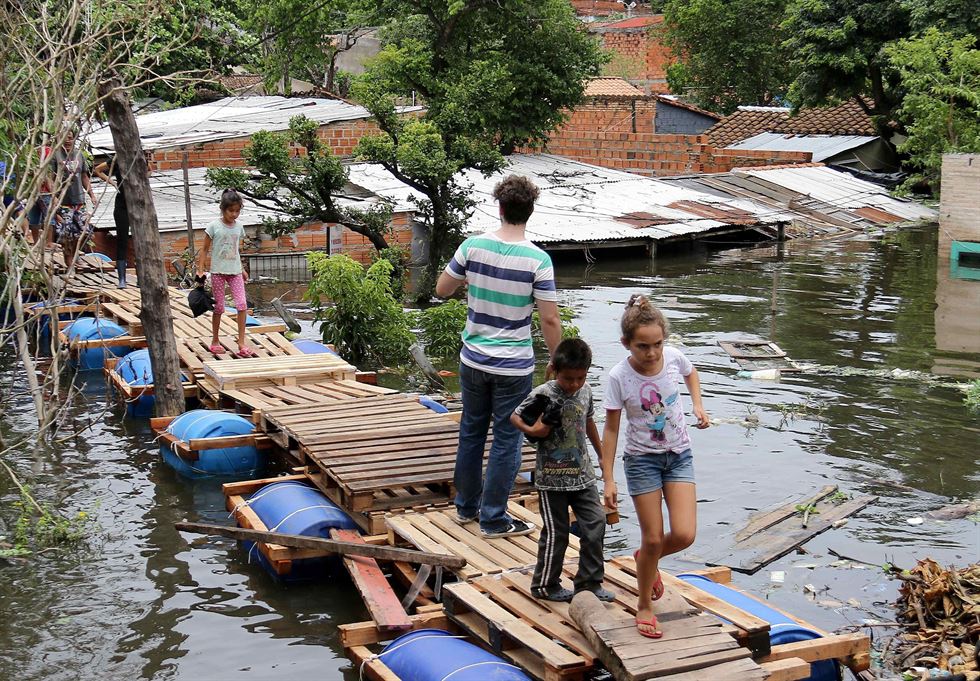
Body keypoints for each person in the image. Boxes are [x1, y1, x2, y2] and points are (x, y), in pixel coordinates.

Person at [435, 174, 562, 538]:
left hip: (473, 358)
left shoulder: (472, 247)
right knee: (508, 438)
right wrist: (556, 361)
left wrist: (473, 284)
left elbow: (443, 289)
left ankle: (465, 509)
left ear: (500, 207)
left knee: (471, 432)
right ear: (530, 211)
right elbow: (549, 318)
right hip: (513, 366)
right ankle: (493, 519)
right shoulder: (538, 260)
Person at [600, 295, 710, 638]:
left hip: (679, 455)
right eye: (642, 346)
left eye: (657, 344)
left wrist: (698, 405)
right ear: (626, 344)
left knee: (683, 534)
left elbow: (692, 374)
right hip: (641, 461)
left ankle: (645, 558)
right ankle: (644, 604)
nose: (651, 353)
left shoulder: (674, 358)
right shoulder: (619, 376)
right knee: (652, 536)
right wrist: (608, 479)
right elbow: (612, 428)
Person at [511, 337, 613, 603]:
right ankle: (545, 584)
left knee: (596, 524)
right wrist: (534, 430)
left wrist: (602, 456)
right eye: (569, 379)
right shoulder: (544, 393)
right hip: (551, 478)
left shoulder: (586, 391)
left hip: (583, 475)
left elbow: (588, 421)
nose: (574, 384)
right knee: (557, 533)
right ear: (556, 370)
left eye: (580, 378)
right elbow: (514, 416)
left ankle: (589, 583)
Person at [196, 189, 255, 358]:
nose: (234, 214)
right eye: (231, 211)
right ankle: (215, 340)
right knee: (219, 307)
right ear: (223, 209)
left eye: (237, 211)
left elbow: (235, 250)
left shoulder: (239, 227)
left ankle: (242, 342)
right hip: (218, 272)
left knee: (242, 305)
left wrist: (242, 269)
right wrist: (200, 269)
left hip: (235, 272)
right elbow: (205, 249)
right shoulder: (214, 226)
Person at [53, 130, 98, 260]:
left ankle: (75, 256)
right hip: (63, 201)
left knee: (84, 232)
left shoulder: (79, 155)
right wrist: (54, 196)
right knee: (66, 234)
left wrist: (92, 195)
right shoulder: (56, 156)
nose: (68, 140)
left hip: (79, 200)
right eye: (65, 138)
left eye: (70, 138)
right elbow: (50, 178)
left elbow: (84, 176)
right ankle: (69, 263)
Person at [94, 156, 130, 288]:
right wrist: (113, 183)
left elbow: (149, 171)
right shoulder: (117, 158)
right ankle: (122, 279)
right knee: (122, 239)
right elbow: (98, 170)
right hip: (121, 205)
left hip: (138, 205)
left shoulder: (140, 156)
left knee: (140, 240)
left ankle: (141, 279)